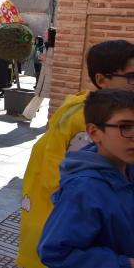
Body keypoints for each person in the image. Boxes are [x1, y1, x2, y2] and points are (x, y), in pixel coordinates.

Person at [17, 39, 134, 268]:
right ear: (101, 80)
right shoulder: (89, 121)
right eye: (131, 78)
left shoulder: (88, 109)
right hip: (64, 232)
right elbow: (74, 190)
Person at [38, 89, 134, 268]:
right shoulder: (84, 188)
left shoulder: (127, 168)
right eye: (125, 127)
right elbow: (54, 251)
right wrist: (124, 264)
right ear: (95, 132)